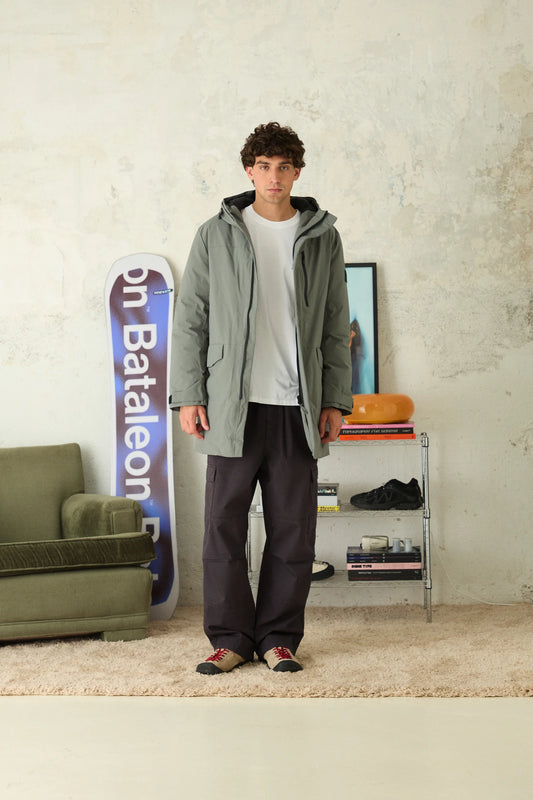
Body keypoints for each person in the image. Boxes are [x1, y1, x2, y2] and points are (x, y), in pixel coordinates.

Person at [169, 122, 352, 674]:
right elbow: (192, 319)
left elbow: (335, 322)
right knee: (223, 528)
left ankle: (278, 639)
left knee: (294, 531)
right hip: (232, 406)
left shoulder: (322, 236)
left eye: (284, 167)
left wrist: (335, 399)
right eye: (264, 166)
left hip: (297, 405)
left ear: (297, 172)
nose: (274, 177)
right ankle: (230, 640)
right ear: (249, 171)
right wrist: (189, 394)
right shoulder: (216, 234)